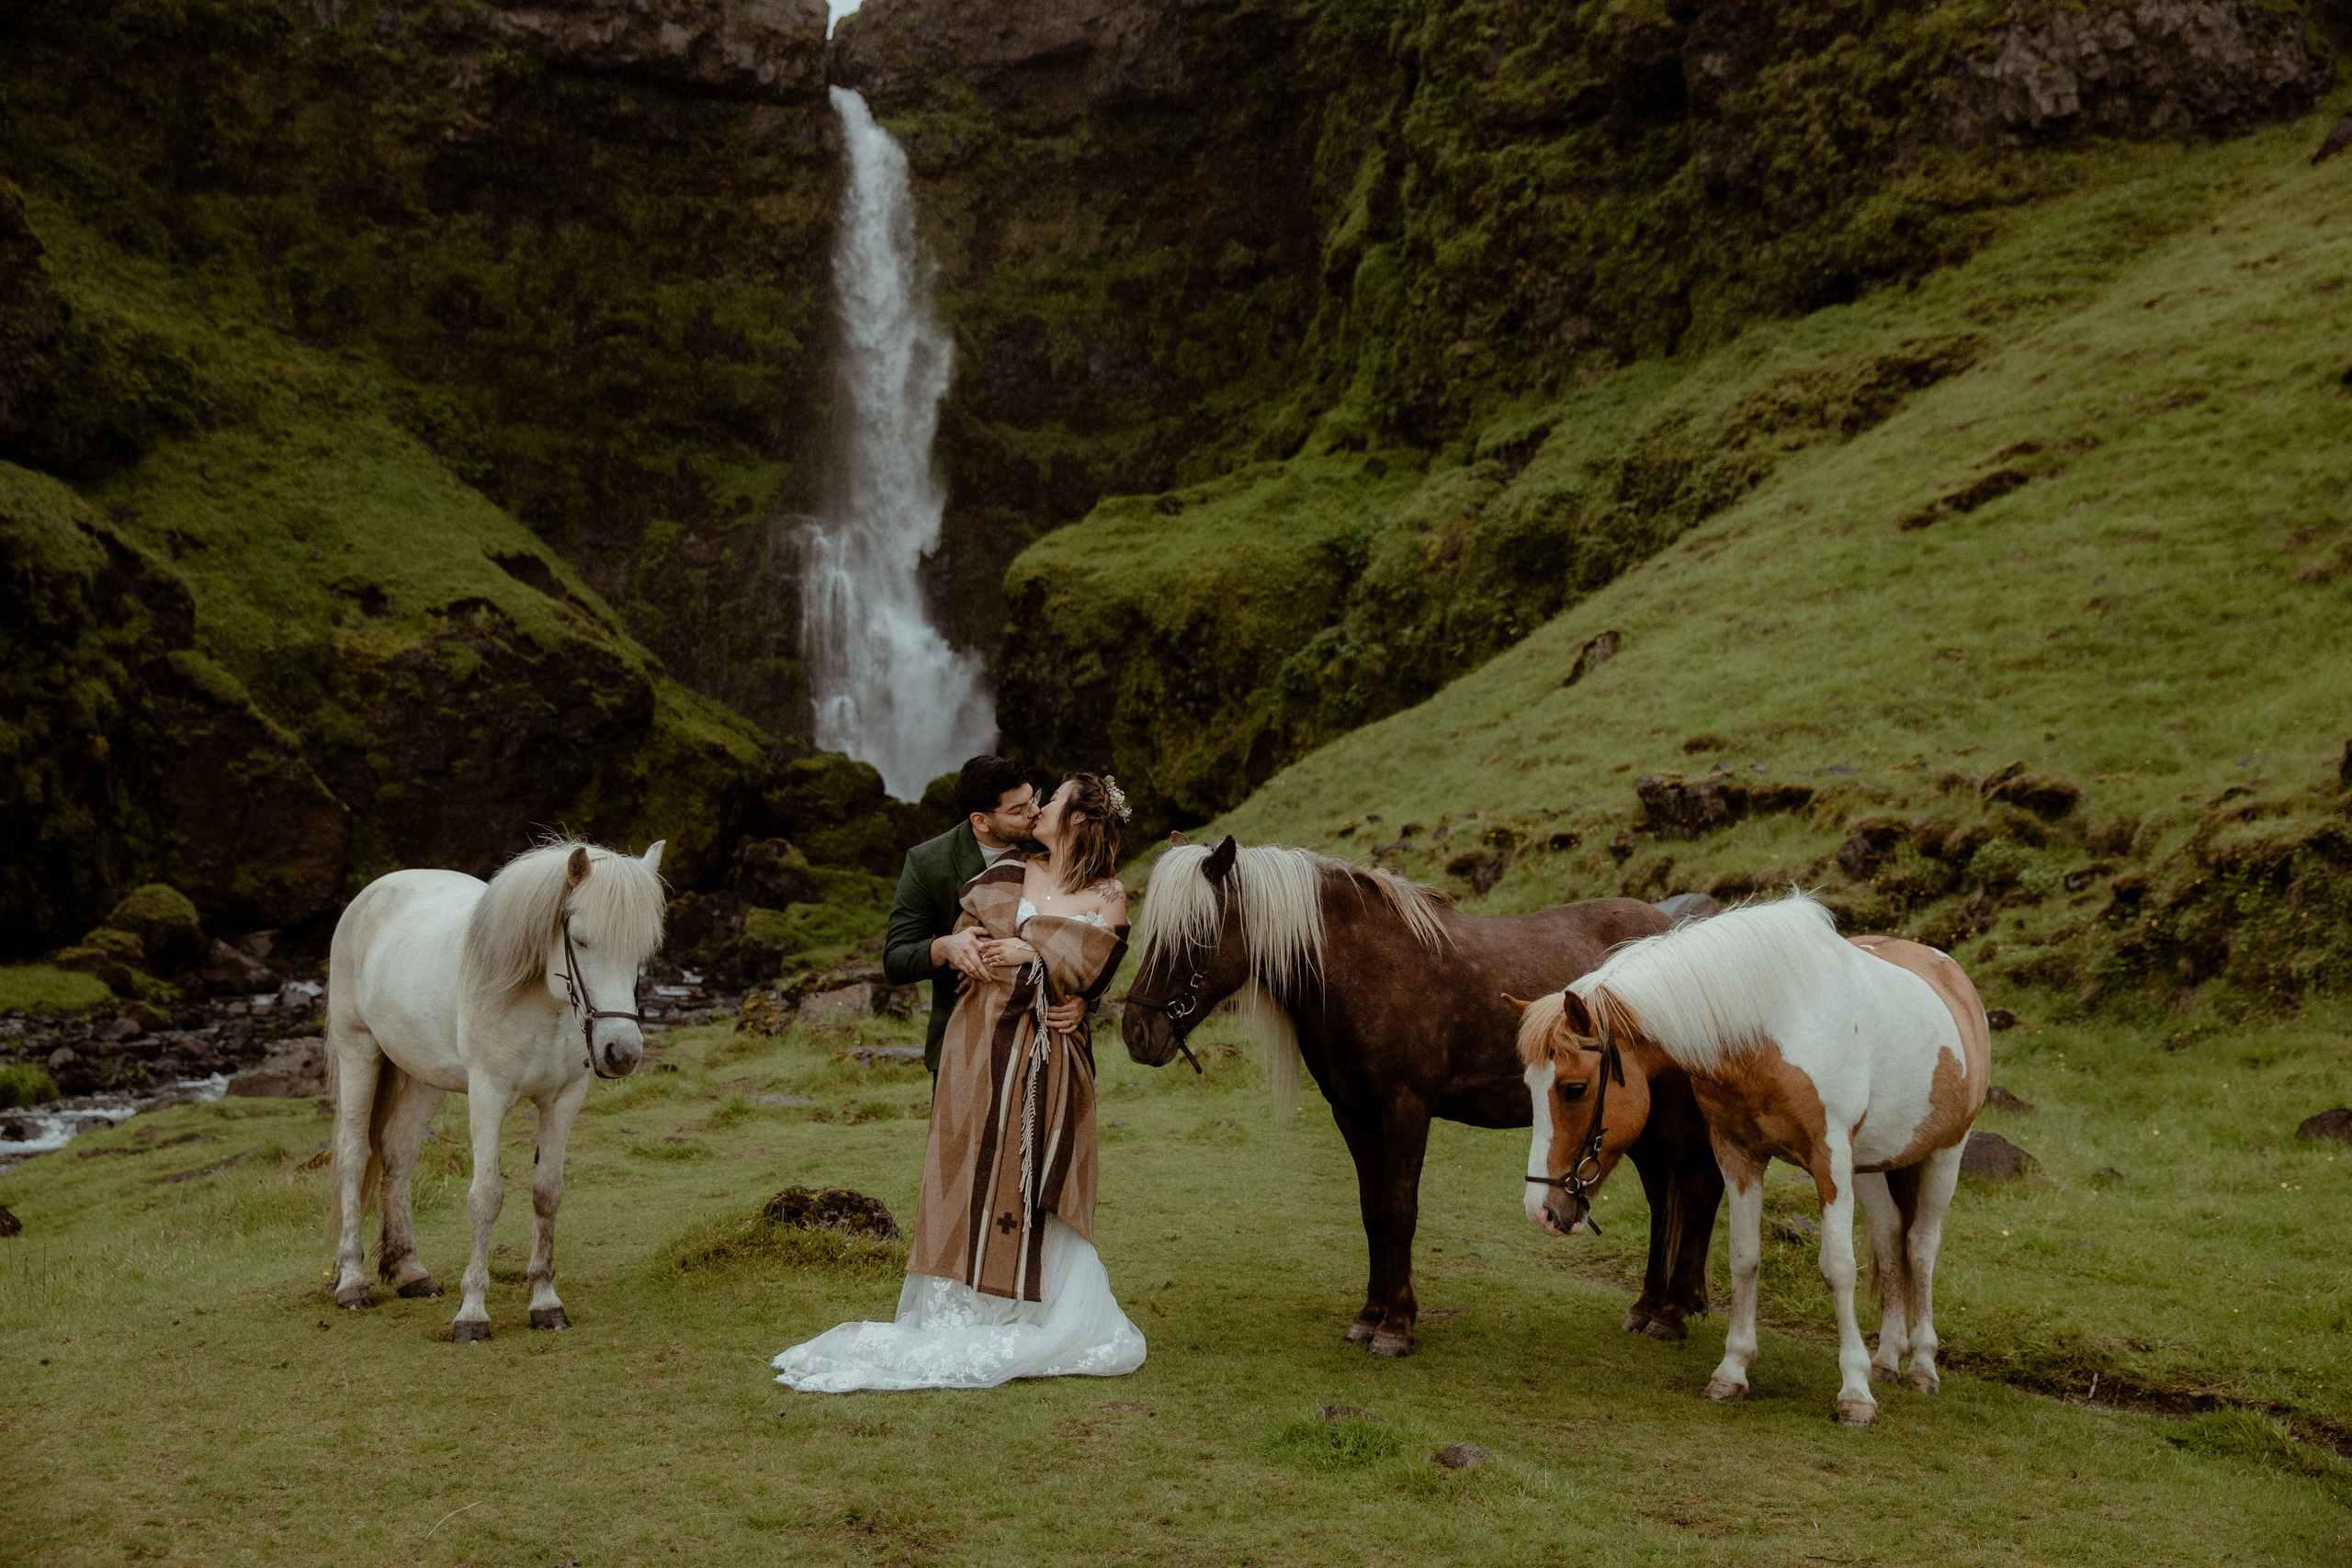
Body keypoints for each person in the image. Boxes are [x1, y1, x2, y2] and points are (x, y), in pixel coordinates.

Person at [772, 773, 1147, 1392]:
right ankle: (964, 1302)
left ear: (1079, 820)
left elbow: (1092, 968)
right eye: (1027, 803)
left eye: (1049, 800)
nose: (1037, 809)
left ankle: (1040, 1305)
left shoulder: (1108, 894)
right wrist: (958, 947)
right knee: (968, 1166)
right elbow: (924, 950)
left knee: (1036, 1166)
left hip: (1050, 1058)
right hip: (976, 1048)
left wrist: (1041, 961)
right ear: (981, 817)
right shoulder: (1006, 871)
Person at [884, 755, 1087, 1077]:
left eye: (1033, 798)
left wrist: (1085, 1001)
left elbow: (1088, 932)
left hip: (1046, 1039)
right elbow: (895, 958)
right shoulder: (928, 862)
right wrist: (944, 947)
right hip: (963, 1045)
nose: (1035, 811)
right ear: (980, 821)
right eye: (1019, 810)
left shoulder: (1051, 843)